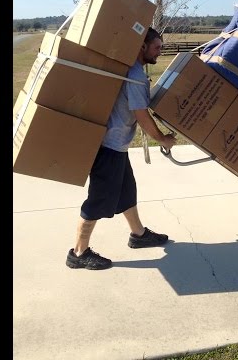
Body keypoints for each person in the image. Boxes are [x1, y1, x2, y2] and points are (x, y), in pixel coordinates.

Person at [66, 27, 177, 270]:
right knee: (98, 200)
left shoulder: (128, 70)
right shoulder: (135, 76)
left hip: (114, 144)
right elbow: (142, 116)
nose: (160, 51)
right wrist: (163, 139)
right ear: (142, 47)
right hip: (110, 147)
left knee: (127, 190)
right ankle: (78, 253)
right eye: (157, 46)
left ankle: (138, 235)